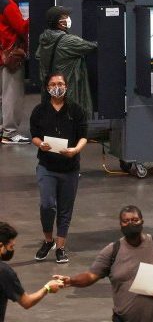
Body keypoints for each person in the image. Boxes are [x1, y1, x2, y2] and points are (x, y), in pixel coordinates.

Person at [53, 205, 153, 322]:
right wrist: (71, 281)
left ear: (142, 221)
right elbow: (91, 276)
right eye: (126, 221)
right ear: (120, 224)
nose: (131, 224)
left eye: (135, 220)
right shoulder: (113, 250)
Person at [30, 71, 88, 264]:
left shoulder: (76, 110)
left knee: (65, 209)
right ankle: (48, 241)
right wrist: (40, 144)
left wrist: (75, 150)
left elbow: (83, 136)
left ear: (66, 86)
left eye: (60, 84)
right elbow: (34, 135)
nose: (57, 87)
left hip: (70, 168)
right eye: (53, 84)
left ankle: (61, 247)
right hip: (47, 166)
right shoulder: (39, 111)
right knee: (47, 205)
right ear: (47, 88)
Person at [37, 5, 97, 119]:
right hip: (67, 86)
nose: (68, 19)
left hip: (51, 85)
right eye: (65, 16)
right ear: (59, 22)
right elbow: (91, 46)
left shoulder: (45, 38)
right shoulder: (67, 41)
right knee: (68, 116)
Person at [0, 222, 64, 322]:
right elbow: (26, 302)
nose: (12, 250)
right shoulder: (4, 272)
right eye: (11, 247)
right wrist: (47, 288)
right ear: (1, 246)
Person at [0, 0, 30, 144]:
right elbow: (21, 27)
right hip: (11, 57)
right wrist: (35, 18)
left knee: (2, 95)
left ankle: (3, 128)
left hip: (1, 55)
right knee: (12, 95)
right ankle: (10, 133)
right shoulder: (7, 3)